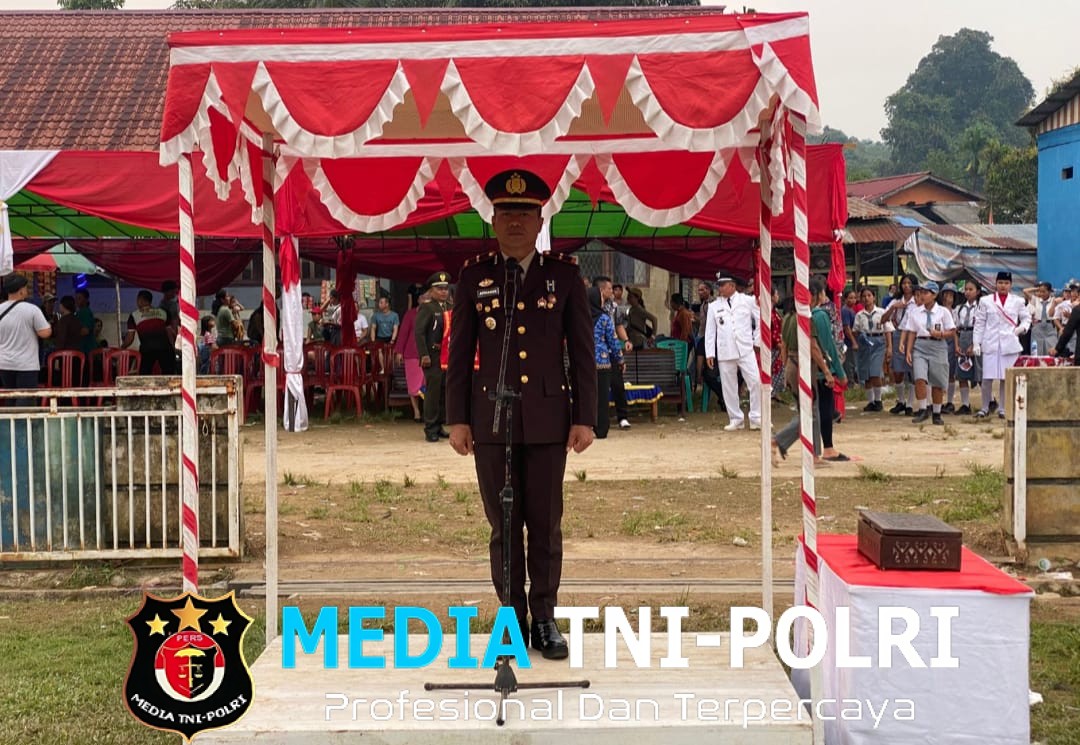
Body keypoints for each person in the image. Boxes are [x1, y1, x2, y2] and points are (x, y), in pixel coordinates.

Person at [445, 168, 596, 660]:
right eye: (507, 213)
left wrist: (586, 416)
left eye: (525, 214)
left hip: (551, 419)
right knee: (503, 524)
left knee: (545, 523)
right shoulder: (475, 278)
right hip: (491, 419)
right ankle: (511, 619)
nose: (515, 222)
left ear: (539, 220)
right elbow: (460, 351)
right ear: (492, 219)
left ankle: (545, 617)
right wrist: (457, 418)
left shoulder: (565, 276)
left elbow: (582, 351)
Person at [704, 273, 761, 431]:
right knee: (729, 386)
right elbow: (710, 331)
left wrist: (757, 340)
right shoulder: (714, 306)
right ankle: (735, 418)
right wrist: (710, 353)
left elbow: (760, 317)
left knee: (755, 381)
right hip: (725, 349)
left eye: (723, 285)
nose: (720, 288)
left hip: (745, 348)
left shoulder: (747, 301)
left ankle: (756, 416)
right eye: (719, 285)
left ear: (732, 285)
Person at [973, 270, 1030, 419]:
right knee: (987, 378)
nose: (1003, 286)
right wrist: (976, 343)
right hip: (991, 342)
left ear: (1010, 285)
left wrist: (1021, 328)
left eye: (1006, 283)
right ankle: (985, 407)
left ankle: (1003, 408)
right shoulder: (986, 301)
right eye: (1000, 283)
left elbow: (1026, 319)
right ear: (996, 284)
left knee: (1006, 378)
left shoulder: (1017, 301)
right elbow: (979, 323)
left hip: (1009, 343)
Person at [901, 281, 955, 425]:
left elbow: (952, 331)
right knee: (919, 378)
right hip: (920, 345)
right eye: (920, 293)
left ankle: (936, 412)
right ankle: (923, 409)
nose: (922, 296)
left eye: (926, 293)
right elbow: (912, 331)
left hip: (938, 345)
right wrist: (908, 350)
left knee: (937, 380)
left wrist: (941, 334)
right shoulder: (915, 312)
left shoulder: (943, 312)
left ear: (934, 294)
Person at [0, 275, 52, 405]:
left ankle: (9, 425)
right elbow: (45, 333)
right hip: (26, 365)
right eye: (25, 288)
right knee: (25, 402)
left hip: (4, 364)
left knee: (10, 400)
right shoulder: (32, 310)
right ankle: (22, 426)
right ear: (21, 291)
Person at [415, 272, 451, 443]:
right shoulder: (427, 307)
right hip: (433, 354)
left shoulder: (451, 307)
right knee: (433, 391)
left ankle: (439, 424)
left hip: (448, 355)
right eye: (439, 288)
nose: (443, 292)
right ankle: (430, 427)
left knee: (445, 390)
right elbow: (419, 332)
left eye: (446, 288)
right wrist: (424, 354)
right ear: (431, 290)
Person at [594, 276, 631, 430]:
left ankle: (622, 417)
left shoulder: (613, 307)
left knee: (617, 384)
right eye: (610, 288)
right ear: (601, 290)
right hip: (594, 354)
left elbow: (618, 325)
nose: (613, 291)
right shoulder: (587, 305)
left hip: (611, 351)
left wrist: (626, 340)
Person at [588, 285, 624, 439]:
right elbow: (613, 341)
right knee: (602, 397)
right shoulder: (604, 319)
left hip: (585, 364)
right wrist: (620, 359)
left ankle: (586, 425)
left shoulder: (580, 317)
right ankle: (601, 429)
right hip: (602, 363)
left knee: (587, 396)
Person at [881, 274, 918, 415]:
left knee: (913, 370)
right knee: (897, 370)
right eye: (904, 283)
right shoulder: (895, 301)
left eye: (909, 283)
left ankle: (910, 403)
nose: (906, 286)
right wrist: (893, 308)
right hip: (898, 334)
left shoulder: (918, 301)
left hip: (913, 335)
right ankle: (901, 400)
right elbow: (883, 319)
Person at [121, 290, 176, 375]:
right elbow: (169, 333)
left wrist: (122, 347)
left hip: (147, 349)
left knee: (145, 375)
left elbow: (130, 338)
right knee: (169, 374)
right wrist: (173, 347)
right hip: (165, 348)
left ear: (140, 300)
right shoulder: (163, 312)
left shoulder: (135, 315)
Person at [394, 286, 426, 422]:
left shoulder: (435, 313)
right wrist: (399, 351)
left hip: (428, 354)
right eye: (424, 298)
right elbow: (403, 333)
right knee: (414, 384)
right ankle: (416, 411)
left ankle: (428, 412)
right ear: (418, 299)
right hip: (412, 354)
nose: (426, 300)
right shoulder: (410, 314)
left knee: (426, 383)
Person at [853, 287, 887, 411]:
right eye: (864, 296)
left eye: (869, 295)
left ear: (873, 297)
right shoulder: (859, 315)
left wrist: (888, 347)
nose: (866, 298)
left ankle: (878, 400)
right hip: (865, 343)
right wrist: (858, 337)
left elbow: (887, 330)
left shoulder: (882, 312)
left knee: (875, 372)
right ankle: (871, 401)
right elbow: (855, 330)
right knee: (866, 374)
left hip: (878, 342)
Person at [953, 281, 982, 415]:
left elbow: (982, 327)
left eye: (971, 289)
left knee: (979, 372)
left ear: (978, 291)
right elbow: (955, 329)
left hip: (976, 337)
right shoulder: (960, 308)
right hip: (963, 336)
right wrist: (957, 344)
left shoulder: (981, 308)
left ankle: (990, 401)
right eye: (966, 289)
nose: (968, 292)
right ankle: (965, 404)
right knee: (962, 373)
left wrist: (975, 344)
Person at [1024, 281, 1058, 356]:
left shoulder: (1054, 300)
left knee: (1051, 351)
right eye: (1040, 291)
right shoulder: (1035, 300)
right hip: (1038, 327)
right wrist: (1036, 288)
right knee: (1037, 351)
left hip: (1050, 327)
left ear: (1049, 291)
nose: (1041, 294)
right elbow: (1025, 291)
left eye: (1044, 291)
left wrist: (1054, 304)